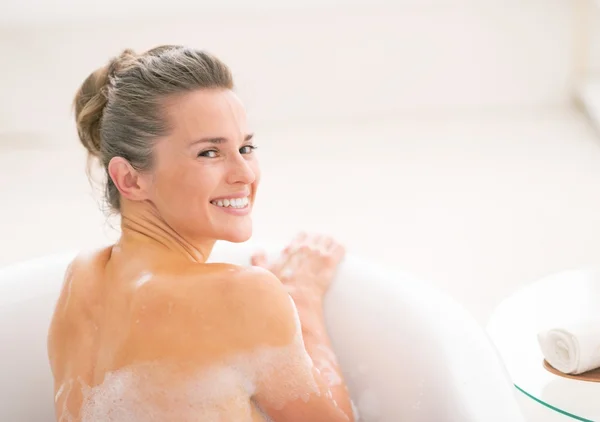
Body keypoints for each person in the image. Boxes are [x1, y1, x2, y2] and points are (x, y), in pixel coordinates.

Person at [46, 45, 355, 422]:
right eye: (209, 153)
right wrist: (302, 303)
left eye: (246, 147)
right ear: (129, 178)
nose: (245, 173)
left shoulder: (82, 278)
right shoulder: (244, 295)